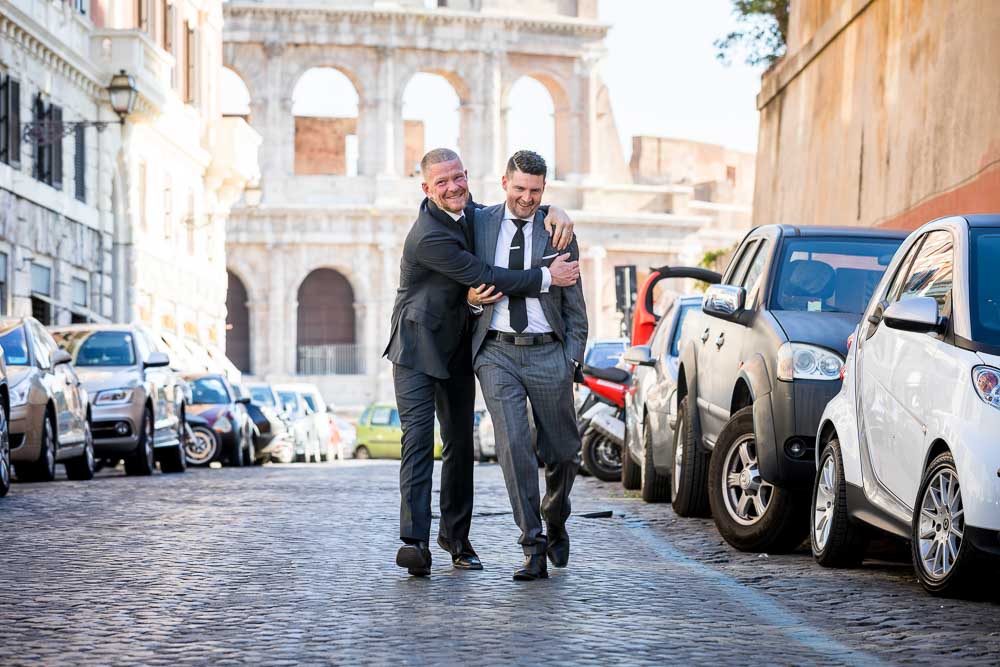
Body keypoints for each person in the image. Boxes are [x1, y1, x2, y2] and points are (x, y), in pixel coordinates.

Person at [383, 148, 580, 577]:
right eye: (442, 182)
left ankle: (456, 539)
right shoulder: (427, 235)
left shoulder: (470, 213)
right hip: (417, 348)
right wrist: (548, 277)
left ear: (467, 176)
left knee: (459, 445)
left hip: (457, 346)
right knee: (418, 441)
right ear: (426, 189)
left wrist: (553, 209)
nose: (452, 187)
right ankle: (414, 542)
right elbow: (488, 275)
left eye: (457, 178)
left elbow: (516, 205)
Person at [467, 150, 588, 581]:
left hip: (548, 352)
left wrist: (571, 356)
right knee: (514, 444)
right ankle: (532, 545)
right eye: (519, 189)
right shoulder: (479, 225)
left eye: (536, 192)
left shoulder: (556, 230)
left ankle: (555, 517)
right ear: (504, 183)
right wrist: (469, 300)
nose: (526, 199)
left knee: (564, 453)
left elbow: (575, 306)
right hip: (496, 351)